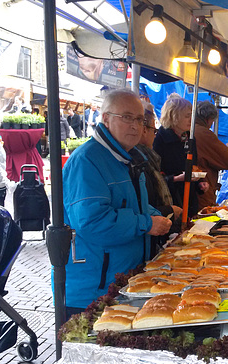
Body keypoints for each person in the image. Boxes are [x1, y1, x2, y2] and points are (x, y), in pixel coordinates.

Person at [62, 89, 172, 315]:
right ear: (105, 118)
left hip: (123, 280)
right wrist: (147, 224)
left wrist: (156, 216)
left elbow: (131, 205)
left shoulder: (127, 157)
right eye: (127, 117)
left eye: (140, 119)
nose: (135, 126)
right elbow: (92, 222)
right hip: (92, 290)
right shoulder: (87, 161)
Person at [137, 100, 182, 252]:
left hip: (153, 235)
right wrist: (167, 210)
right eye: (153, 131)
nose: (154, 135)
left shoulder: (146, 158)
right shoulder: (136, 161)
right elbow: (139, 206)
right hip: (144, 239)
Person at [153, 93, 206, 218]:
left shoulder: (190, 138)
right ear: (174, 116)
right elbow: (155, 177)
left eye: (192, 116)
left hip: (190, 201)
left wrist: (201, 183)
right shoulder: (159, 139)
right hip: (170, 203)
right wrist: (176, 178)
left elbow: (193, 167)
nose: (191, 120)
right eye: (187, 116)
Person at [194, 100, 228, 210]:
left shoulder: (191, 129)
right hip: (202, 191)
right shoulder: (204, 134)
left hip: (194, 189)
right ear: (208, 119)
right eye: (212, 121)